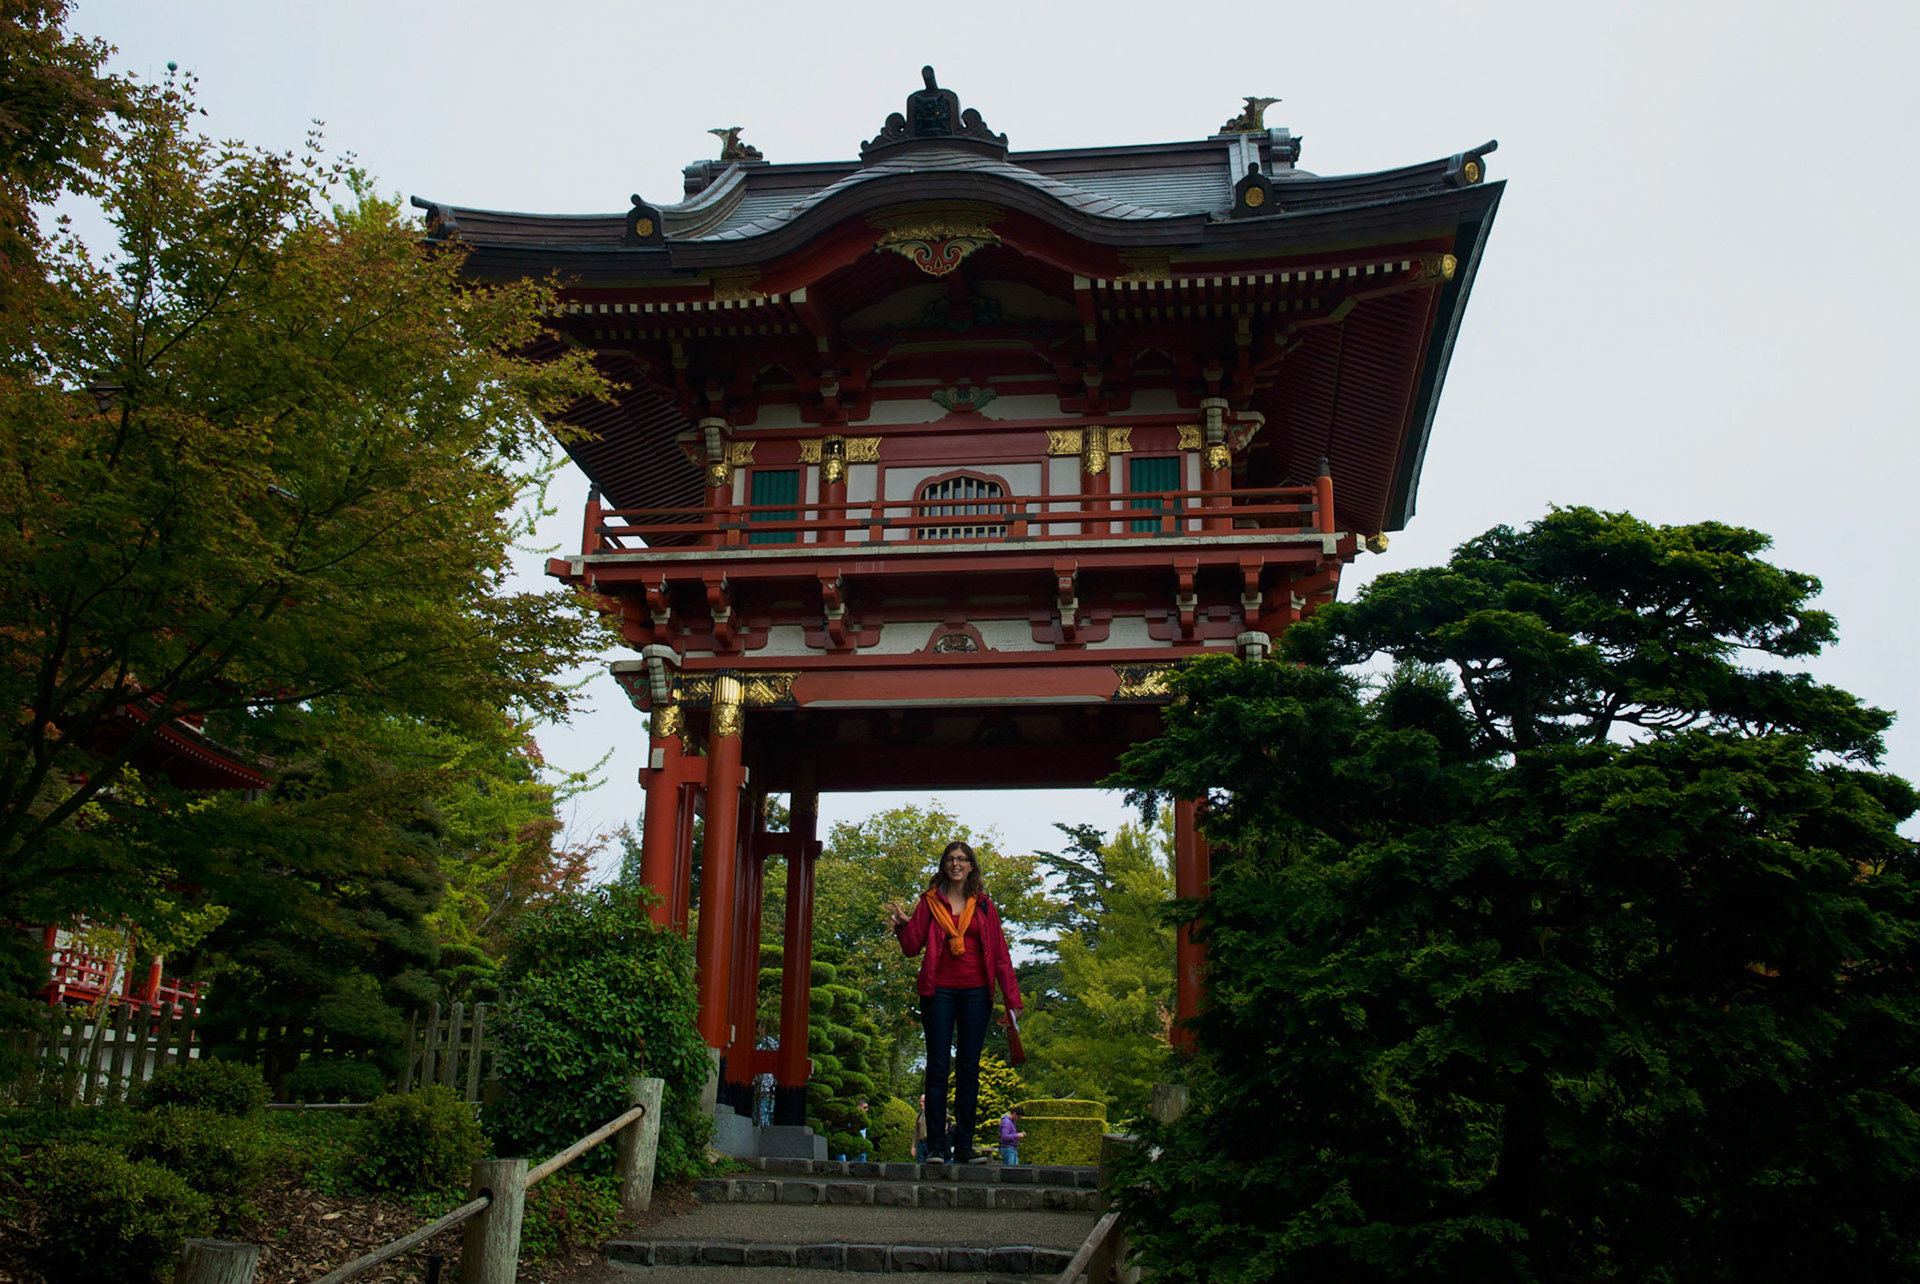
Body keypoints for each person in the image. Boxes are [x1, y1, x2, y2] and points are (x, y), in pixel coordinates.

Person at [886, 840, 1022, 1164]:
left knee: (968, 1068)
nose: (956, 864)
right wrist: (904, 926)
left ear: (971, 866)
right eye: (950, 859)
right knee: (937, 1066)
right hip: (938, 991)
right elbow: (913, 947)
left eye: (962, 859)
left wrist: (1012, 999)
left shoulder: (985, 906)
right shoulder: (930, 902)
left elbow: (1001, 956)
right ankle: (936, 1147)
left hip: (977, 992)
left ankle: (963, 1148)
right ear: (944, 866)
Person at [914, 1094, 930, 1162]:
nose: (921, 1103)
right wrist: (913, 1146)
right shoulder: (919, 1115)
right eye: (920, 1101)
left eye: (923, 1102)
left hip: (929, 1143)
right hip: (921, 1143)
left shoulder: (933, 1114)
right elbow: (916, 1131)